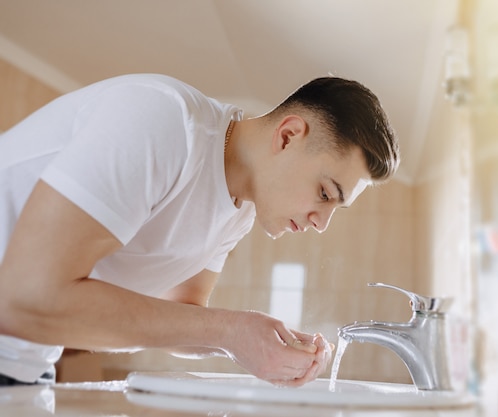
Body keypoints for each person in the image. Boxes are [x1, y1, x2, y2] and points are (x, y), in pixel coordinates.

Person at [0, 73, 400, 386]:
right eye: (325, 193)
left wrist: (256, 343)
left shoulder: (239, 208)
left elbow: (182, 317)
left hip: (26, 365)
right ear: (288, 135)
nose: (321, 223)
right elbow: (23, 297)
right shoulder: (162, 121)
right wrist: (230, 331)